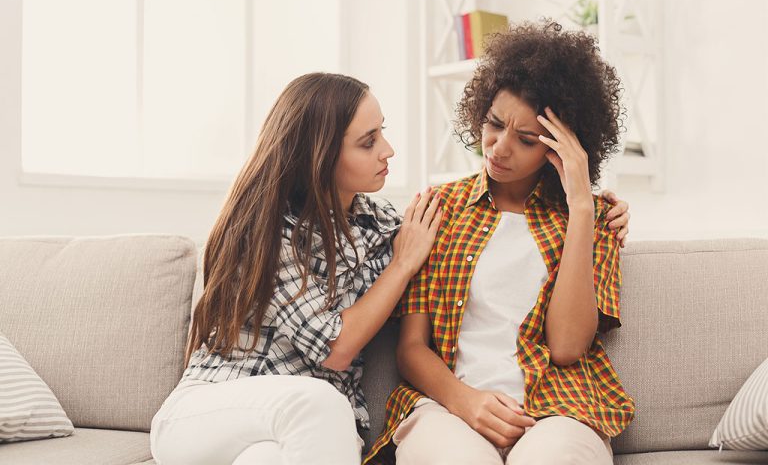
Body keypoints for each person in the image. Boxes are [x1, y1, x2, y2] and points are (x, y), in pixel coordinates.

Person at [150, 70, 630, 465]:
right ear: (319, 155)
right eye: (368, 141)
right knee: (321, 405)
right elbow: (338, 348)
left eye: (383, 132)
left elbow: (567, 344)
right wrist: (403, 265)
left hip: (303, 431)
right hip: (219, 408)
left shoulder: (381, 223)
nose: (389, 150)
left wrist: (587, 209)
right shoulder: (270, 228)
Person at [364, 20, 635, 465]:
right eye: (494, 124)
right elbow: (412, 349)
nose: (499, 148)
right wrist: (466, 401)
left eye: (526, 139)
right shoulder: (440, 209)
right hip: (449, 409)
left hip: (559, 411)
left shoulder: (596, 219)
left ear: (562, 147)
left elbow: (568, 347)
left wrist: (583, 209)